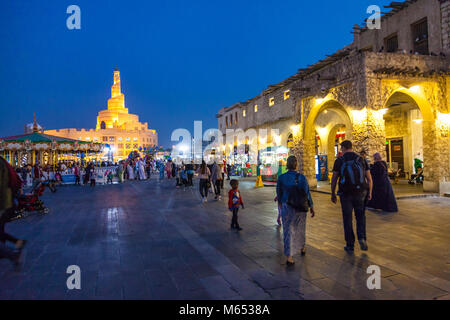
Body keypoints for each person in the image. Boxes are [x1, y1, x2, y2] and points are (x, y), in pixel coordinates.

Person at [331, 140, 373, 252]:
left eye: (341, 148)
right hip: (360, 193)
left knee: (347, 219)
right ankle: (362, 238)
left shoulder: (339, 161)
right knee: (360, 216)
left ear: (344, 148)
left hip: (345, 194)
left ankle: (350, 245)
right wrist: (370, 192)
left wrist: (333, 193)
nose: (341, 150)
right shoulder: (361, 159)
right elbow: (369, 179)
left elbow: (334, 179)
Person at [276, 156, 314, 265]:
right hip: (300, 207)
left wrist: (280, 205)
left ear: (287, 165)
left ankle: (289, 256)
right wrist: (311, 206)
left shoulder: (281, 178)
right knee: (300, 227)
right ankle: (302, 247)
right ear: (296, 164)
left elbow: (279, 194)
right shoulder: (301, 177)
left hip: (287, 207)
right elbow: (307, 193)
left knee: (288, 230)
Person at [0, 156, 27, 268]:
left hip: (3, 203)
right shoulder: (3, 161)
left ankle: (12, 254)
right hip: (7, 202)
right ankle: (16, 244)